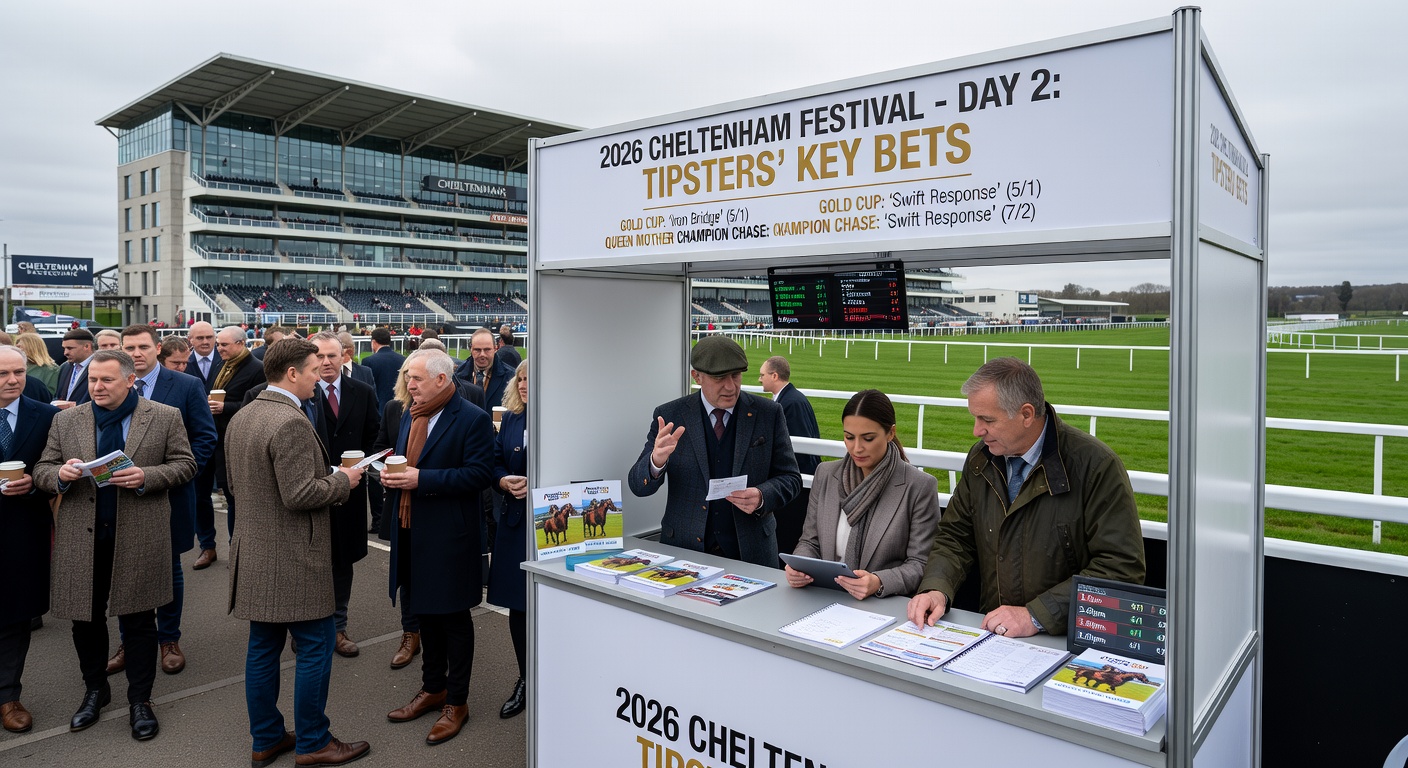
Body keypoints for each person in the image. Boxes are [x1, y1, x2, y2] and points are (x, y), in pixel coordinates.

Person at [907, 358, 1146, 637]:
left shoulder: (1096, 466)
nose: (976, 430)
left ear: (1027, 414)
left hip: (1062, 642)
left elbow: (1121, 567)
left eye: (987, 419)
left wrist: (1036, 615)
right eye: (975, 417)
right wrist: (937, 588)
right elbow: (956, 537)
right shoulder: (980, 458)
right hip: (993, 635)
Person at [34, 350, 197, 741]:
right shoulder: (67, 419)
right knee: (84, 620)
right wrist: (60, 473)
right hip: (81, 538)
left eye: (106, 380)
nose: (97, 387)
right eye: (92, 380)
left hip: (139, 535)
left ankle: (140, 700)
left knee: (139, 622)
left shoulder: (163, 416)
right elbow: (42, 469)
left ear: (129, 381)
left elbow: (186, 464)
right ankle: (95, 689)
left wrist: (147, 476)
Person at [224, 338, 370, 767]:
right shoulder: (289, 421)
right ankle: (313, 742)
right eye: (312, 370)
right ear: (292, 373)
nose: (320, 376)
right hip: (291, 557)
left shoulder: (245, 415)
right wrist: (344, 479)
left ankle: (267, 738)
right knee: (314, 646)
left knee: (263, 648)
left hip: (253, 549)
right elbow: (299, 493)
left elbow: (241, 485)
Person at [383, 350, 493, 746]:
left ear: (442, 381)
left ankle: (457, 702)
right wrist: (394, 477)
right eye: (408, 377)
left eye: (415, 378)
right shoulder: (410, 414)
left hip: (449, 537)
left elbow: (479, 474)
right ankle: (434, 688)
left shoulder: (473, 419)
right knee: (422, 611)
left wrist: (420, 479)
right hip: (410, 529)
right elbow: (406, 461)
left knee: (453, 619)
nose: (409, 385)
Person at [628, 335, 802, 567]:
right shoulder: (671, 415)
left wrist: (762, 496)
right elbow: (638, 486)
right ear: (696, 377)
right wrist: (656, 462)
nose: (730, 386)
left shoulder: (769, 414)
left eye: (736, 375)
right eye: (719, 377)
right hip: (684, 552)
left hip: (752, 554)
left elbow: (791, 479)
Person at [104, 326, 217, 678]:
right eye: (129, 347)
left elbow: (204, 437)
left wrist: (174, 474)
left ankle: (169, 639)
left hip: (167, 495)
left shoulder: (185, 385)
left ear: (157, 348)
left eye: (142, 347)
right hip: (118, 497)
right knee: (125, 573)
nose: (136, 353)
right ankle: (131, 640)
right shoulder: (107, 384)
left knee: (168, 569)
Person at [784, 390, 939, 599]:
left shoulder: (920, 486)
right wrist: (798, 566)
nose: (856, 448)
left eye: (868, 438)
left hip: (882, 607)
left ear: (891, 433)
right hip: (823, 599)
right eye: (849, 437)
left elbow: (921, 565)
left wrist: (879, 582)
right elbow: (810, 542)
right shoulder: (826, 474)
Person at [0, 346, 60, 734]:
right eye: (4, 374)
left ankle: (8, 696)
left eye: (19, 372)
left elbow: (55, 471)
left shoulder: (48, 416)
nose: (13, 380)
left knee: (15, 617)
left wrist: (36, 485)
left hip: (24, 531)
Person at [310, 331, 380, 658]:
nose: (326, 362)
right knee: (312, 561)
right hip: (313, 491)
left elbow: (374, 435)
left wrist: (360, 464)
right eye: (319, 356)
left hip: (350, 492)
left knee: (342, 562)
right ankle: (308, 626)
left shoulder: (363, 392)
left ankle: (338, 626)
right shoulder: (302, 394)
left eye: (332, 356)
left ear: (344, 357)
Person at [198, 325, 266, 561]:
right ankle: (212, 546)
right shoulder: (223, 364)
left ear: (240, 344)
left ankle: (237, 548)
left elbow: (258, 406)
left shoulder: (257, 369)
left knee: (234, 497)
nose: (219, 348)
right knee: (211, 494)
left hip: (235, 442)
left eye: (223, 344)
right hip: (214, 439)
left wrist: (225, 407)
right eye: (218, 344)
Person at [489, 360, 528, 719]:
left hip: (555, 528)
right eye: (521, 378)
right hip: (516, 522)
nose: (526, 383)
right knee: (520, 606)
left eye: (533, 378)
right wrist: (503, 481)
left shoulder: (564, 416)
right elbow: (496, 460)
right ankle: (525, 678)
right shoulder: (513, 418)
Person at [759, 355, 820, 558]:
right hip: (798, 483)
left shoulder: (791, 403)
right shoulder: (790, 399)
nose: (759, 379)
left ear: (774, 376)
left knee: (789, 535)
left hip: (799, 486)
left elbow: (798, 451)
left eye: (762, 375)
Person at [454, 328, 514, 409]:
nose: (482, 354)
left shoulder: (510, 377)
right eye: (477, 350)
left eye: (487, 350)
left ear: (495, 349)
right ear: (470, 349)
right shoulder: (457, 376)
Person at [362, 327, 405, 412]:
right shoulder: (403, 359)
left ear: (373, 342)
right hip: (400, 410)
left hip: (378, 411)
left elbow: (365, 390)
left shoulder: (368, 361)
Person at [55, 328, 96, 406]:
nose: (65, 353)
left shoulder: (99, 368)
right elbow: (58, 395)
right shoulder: (65, 367)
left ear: (87, 346)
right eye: (64, 348)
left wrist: (74, 406)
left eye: (70, 348)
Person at [16, 332, 60, 396]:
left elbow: (50, 394)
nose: (16, 350)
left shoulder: (51, 369)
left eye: (19, 347)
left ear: (31, 347)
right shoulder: (14, 367)